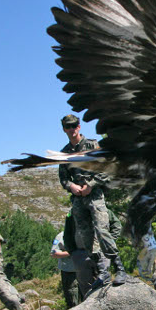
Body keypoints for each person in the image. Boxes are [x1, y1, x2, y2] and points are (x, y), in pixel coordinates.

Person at [58, 114, 128, 285]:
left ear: (79, 126)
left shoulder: (92, 145)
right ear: (64, 129)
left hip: (94, 195)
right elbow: (63, 178)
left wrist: (91, 184)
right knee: (86, 237)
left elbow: (106, 169)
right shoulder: (65, 153)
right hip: (78, 199)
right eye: (68, 126)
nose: (72, 129)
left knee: (102, 231)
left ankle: (119, 269)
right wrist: (71, 187)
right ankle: (102, 271)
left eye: (74, 125)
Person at [50, 225, 79, 309]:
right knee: (72, 299)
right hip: (69, 272)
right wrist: (71, 252)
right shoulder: (61, 236)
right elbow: (54, 253)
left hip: (84, 270)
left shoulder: (83, 233)